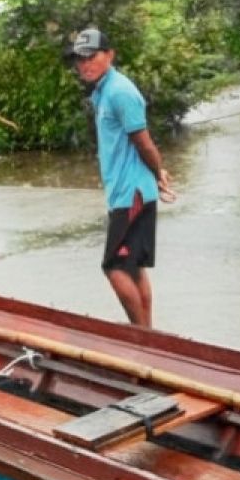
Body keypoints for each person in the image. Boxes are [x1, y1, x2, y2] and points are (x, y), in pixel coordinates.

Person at [72, 28, 173, 328]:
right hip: (126, 192)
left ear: (110, 55)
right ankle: (148, 332)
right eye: (80, 60)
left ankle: (141, 337)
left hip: (132, 194)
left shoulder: (120, 91)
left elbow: (144, 142)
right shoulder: (103, 91)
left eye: (91, 57)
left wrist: (158, 175)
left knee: (114, 266)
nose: (85, 65)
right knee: (133, 266)